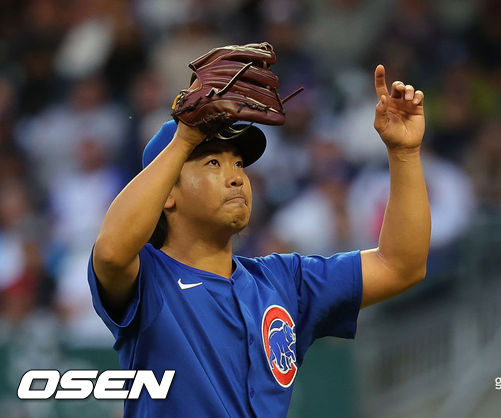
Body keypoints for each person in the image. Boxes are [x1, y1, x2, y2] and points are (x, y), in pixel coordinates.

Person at [88, 64, 430, 417]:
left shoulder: (285, 280)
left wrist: (404, 154)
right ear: (167, 193)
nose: (236, 177)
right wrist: (184, 139)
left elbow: (400, 265)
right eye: (212, 163)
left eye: (238, 163)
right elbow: (111, 253)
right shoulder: (149, 277)